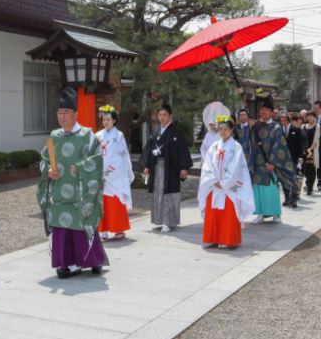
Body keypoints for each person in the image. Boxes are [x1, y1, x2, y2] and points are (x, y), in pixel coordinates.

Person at [37, 87, 107, 279]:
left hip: (80, 193)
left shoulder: (88, 135)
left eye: (66, 112)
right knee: (62, 227)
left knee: (81, 224)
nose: (62, 116)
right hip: (59, 193)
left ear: (76, 114)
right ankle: (67, 263)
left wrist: (82, 167)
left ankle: (90, 260)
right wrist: (47, 170)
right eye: (59, 113)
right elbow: (44, 159)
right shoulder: (54, 136)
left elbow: (98, 159)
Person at [198, 115, 255, 249]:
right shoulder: (214, 146)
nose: (223, 132)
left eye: (226, 129)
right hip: (214, 185)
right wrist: (212, 180)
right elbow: (208, 165)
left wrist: (224, 182)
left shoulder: (236, 147)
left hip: (229, 187)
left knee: (229, 213)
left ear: (231, 130)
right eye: (221, 129)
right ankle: (213, 238)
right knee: (213, 213)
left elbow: (236, 167)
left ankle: (228, 240)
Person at [143, 104, 193, 233]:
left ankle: (168, 221)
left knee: (169, 193)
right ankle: (159, 220)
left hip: (170, 168)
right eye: (160, 115)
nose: (162, 117)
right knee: (158, 193)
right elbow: (149, 150)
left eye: (165, 115)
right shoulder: (156, 131)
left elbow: (182, 150)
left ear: (170, 116)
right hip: (156, 167)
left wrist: (183, 167)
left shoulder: (176, 132)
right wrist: (147, 165)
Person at [249, 95, 296, 224]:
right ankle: (260, 214)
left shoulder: (276, 127)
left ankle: (276, 214)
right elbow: (251, 143)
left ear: (271, 112)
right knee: (258, 189)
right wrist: (251, 128)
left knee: (271, 190)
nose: (263, 111)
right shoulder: (256, 126)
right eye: (261, 109)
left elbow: (279, 146)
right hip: (258, 165)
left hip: (270, 164)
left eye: (265, 109)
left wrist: (272, 163)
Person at [96, 105, 134, 241]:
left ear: (114, 121)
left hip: (115, 174)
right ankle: (103, 231)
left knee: (115, 203)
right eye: (104, 119)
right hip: (101, 174)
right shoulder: (98, 135)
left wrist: (109, 169)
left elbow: (120, 156)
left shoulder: (119, 135)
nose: (105, 122)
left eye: (108, 119)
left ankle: (119, 230)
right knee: (102, 203)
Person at [279, 112, 303, 207]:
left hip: (293, 157)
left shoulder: (296, 129)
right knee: (284, 179)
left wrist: (300, 158)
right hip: (282, 159)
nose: (282, 122)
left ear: (288, 120)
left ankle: (294, 199)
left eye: (284, 120)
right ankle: (287, 198)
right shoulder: (279, 130)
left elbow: (300, 145)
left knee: (293, 178)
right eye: (281, 120)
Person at [302, 111, 320, 194]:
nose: (309, 118)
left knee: (311, 169)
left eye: (311, 116)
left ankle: (310, 187)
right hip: (304, 150)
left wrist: (310, 149)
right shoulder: (303, 126)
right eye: (308, 116)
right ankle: (307, 183)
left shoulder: (317, 126)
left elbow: (316, 140)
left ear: (314, 117)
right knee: (304, 169)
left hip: (312, 150)